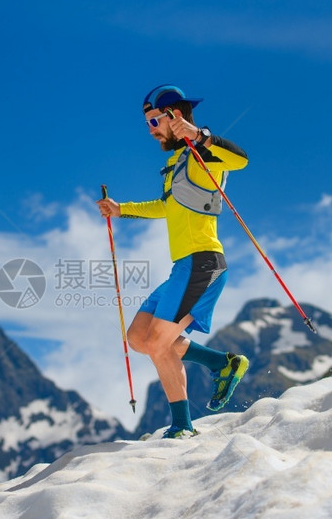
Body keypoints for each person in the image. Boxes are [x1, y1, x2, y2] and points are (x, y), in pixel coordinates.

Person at [97, 84, 250, 439]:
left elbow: (241, 159)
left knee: (157, 341)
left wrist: (202, 136)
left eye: (154, 122)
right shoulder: (175, 163)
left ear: (174, 116)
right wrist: (122, 210)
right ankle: (221, 363)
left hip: (204, 263)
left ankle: (182, 426)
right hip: (183, 267)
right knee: (138, 337)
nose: (151, 131)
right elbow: (167, 207)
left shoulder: (201, 154)